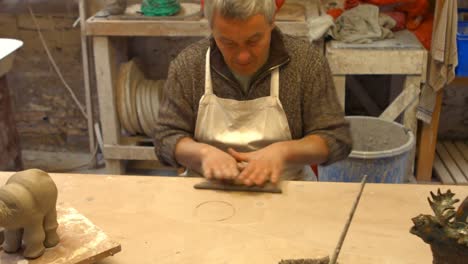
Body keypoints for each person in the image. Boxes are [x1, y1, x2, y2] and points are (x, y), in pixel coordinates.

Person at [154, 0, 352, 186]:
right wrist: (203, 154)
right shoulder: (189, 65)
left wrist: (283, 152)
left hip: (288, 189)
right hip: (207, 190)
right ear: (211, 28)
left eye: (254, 40)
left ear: (271, 22)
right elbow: (165, 137)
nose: (243, 56)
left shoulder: (305, 62)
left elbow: (335, 138)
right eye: (228, 43)